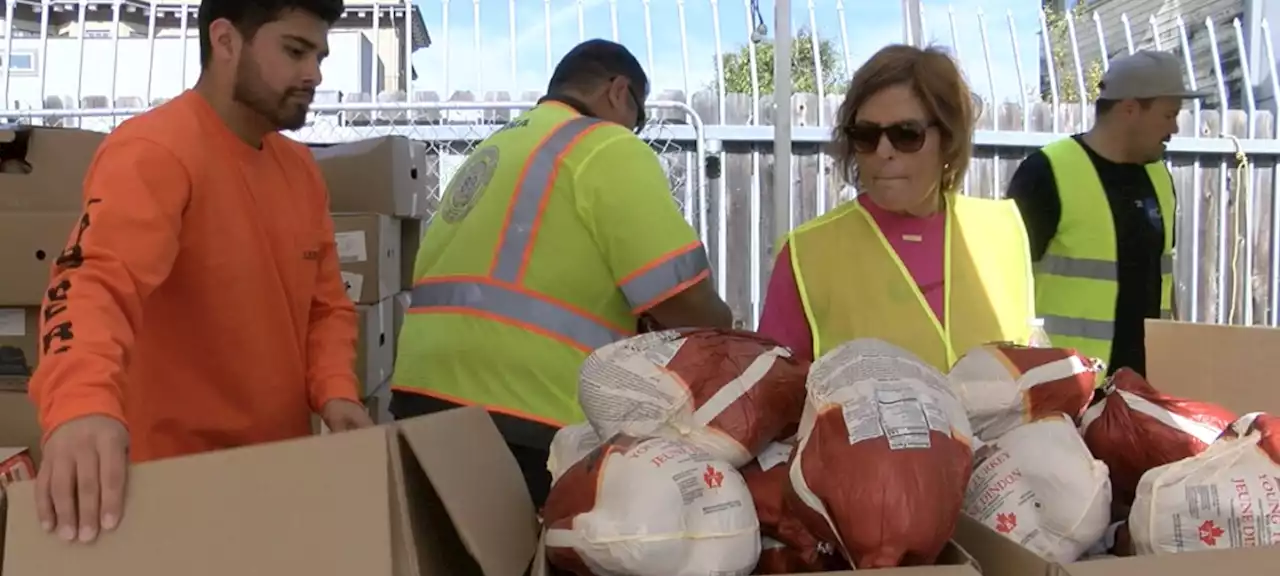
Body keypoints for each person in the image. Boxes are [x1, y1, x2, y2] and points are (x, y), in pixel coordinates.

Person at [28, 0, 373, 545]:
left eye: (319, 55)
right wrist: (81, 406)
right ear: (226, 40)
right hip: (162, 492)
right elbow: (92, 283)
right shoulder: (157, 150)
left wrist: (337, 393)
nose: (315, 73)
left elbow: (324, 306)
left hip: (276, 479)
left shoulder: (301, 172)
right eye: (295, 50)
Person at [391, 39, 733, 507]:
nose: (636, 128)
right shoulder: (604, 146)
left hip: (419, 399)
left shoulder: (496, 148)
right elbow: (682, 300)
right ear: (619, 91)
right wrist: (731, 336)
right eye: (641, 115)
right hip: (526, 413)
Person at [758, 44, 1034, 371]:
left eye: (906, 134)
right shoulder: (808, 254)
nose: (884, 151)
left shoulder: (1001, 231)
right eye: (866, 135)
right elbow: (774, 399)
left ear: (948, 138)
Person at [1007, 50, 1196, 378]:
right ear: (1130, 109)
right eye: (1169, 115)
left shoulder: (1159, 178)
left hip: (1142, 389)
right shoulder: (1047, 172)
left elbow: (1164, 279)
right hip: (1065, 388)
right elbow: (1005, 283)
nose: (1175, 128)